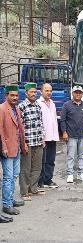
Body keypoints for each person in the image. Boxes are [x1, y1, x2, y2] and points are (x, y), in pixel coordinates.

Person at [0, 84, 28, 216]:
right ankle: (6, 205)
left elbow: (20, 129)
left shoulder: (16, 108)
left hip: (16, 148)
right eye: (12, 95)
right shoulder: (2, 109)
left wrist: (24, 145)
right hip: (7, 149)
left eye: (16, 95)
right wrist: (4, 147)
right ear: (6, 96)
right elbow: (0, 130)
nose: (15, 97)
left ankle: (10, 200)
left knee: (14, 175)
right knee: (8, 177)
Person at [18, 83, 45, 201]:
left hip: (38, 142)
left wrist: (42, 138)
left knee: (37, 167)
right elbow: (19, 127)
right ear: (26, 93)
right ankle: (24, 192)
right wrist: (22, 143)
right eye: (31, 92)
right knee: (25, 168)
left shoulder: (38, 106)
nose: (34, 94)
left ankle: (33, 189)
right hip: (27, 143)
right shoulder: (21, 107)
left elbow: (41, 123)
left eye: (35, 92)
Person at [60, 85, 83, 183]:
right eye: (76, 92)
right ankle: (70, 174)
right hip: (71, 135)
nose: (77, 94)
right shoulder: (67, 105)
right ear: (72, 93)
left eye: (79, 93)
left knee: (82, 155)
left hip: (82, 135)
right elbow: (62, 120)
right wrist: (64, 132)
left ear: (82, 94)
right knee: (71, 156)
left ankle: (81, 173)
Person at [37, 83, 59, 188]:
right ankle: (40, 182)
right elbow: (38, 122)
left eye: (50, 90)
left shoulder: (52, 103)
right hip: (43, 138)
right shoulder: (38, 103)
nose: (49, 92)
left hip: (53, 136)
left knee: (51, 160)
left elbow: (54, 120)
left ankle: (48, 180)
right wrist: (41, 137)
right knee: (42, 161)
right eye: (46, 90)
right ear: (41, 91)